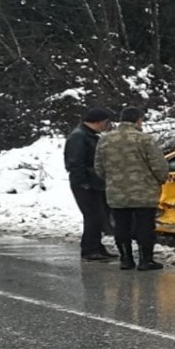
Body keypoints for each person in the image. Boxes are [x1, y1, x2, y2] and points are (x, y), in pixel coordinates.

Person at [95, 107, 169, 271]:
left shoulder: (105, 140)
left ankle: (126, 259)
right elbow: (158, 165)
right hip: (144, 191)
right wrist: (161, 179)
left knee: (121, 226)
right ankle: (145, 260)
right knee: (145, 226)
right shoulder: (144, 139)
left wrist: (112, 181)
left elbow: (99, 168)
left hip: (117, 193)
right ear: (138, 120)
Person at [64, 107, 116, 262]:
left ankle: (96, 247)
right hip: (85, 184)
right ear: (99, 122)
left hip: (95, 183)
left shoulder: (89, 135)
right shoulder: (79, 137)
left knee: (98, 216)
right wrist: (83, 182)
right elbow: (75, 162)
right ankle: (90, 249)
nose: (107, 125)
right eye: (106, 122)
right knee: (93, 216)